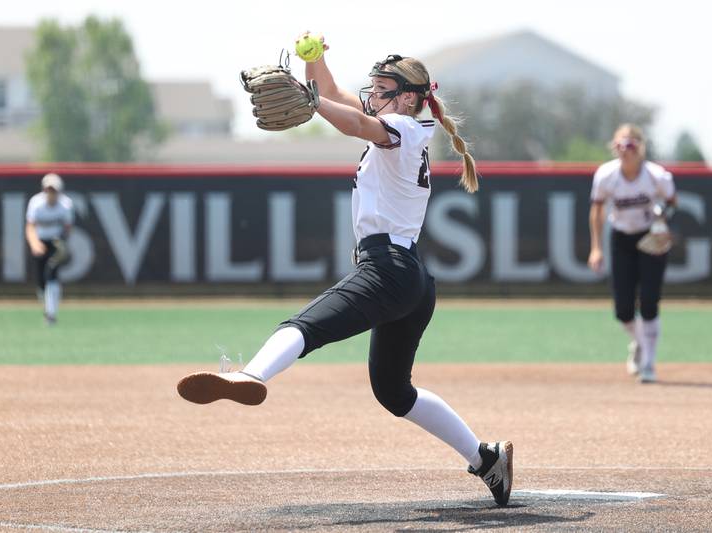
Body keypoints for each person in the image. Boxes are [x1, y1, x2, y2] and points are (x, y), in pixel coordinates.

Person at [177, 35, 513, 506]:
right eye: (373, 87)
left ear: (410, 98)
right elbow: (338, 100)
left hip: (389, 268)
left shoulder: (403, 126)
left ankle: (250, 377)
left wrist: (314, 104)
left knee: (304, 324)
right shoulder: (399, 125)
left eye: (382, 88)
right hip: (411, 277)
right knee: (394, 392)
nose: (373, 94)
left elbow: (351, 120)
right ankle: (486, 458)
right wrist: (315, 61)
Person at [587, 124, 677, 384]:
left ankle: (648, 362)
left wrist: (663, 219)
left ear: (640, 148)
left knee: (649, 300)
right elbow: (597, 210)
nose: (625, 151)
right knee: (623, 309)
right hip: (622, 238)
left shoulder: (656, 176)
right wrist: (596, 247)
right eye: (620, 146)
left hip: (650, 238)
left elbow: (672, 202)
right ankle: (640, 343)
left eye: (630, 146)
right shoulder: (606, 175)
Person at [25, 173, 74, 325]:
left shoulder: (66, 205)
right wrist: (34, 243)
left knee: (51, 274)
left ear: (59, 191)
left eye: (54, 190)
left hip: (55, 242)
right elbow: (30, 227)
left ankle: (51, 314)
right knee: (41, 281)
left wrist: (63, 244)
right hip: (40, 242)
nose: (51, 194)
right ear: (44, 190)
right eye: (48, 190)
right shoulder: (36, 203)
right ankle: (46, 302)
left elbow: (67, 228)